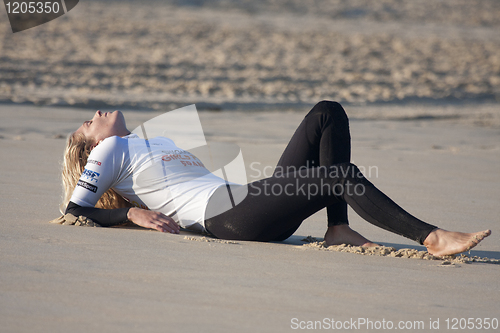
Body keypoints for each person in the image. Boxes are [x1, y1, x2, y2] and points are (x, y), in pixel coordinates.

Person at [61, 101, 490, 257]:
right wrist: (131, 213)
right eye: (87, 123)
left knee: (327, 112)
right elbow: (75, 210)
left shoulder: (149, 140)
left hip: (246, 199)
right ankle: (432, 237)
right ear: (90, 147)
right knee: (337, 174)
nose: (95, 115)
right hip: (230, 220)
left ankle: (337, 228)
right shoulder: (108, 150)